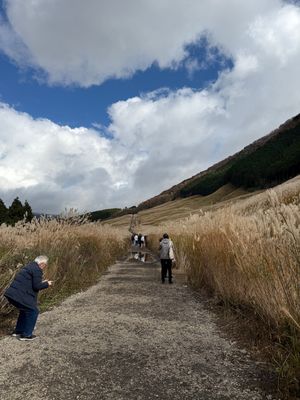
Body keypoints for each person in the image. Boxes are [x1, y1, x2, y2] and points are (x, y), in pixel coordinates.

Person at [4, 255, 53, 341]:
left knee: (25, 310)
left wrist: (42, 283)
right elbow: (36, 286)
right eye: (45, 265)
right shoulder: (37, 270)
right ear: (42, 263)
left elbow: (31, 283)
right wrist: (47, 284)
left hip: (12, 294)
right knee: (33, 311)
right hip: (19, 295)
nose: (44, 267)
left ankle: (18, 331)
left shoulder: (29, 267)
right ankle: (26, 335)